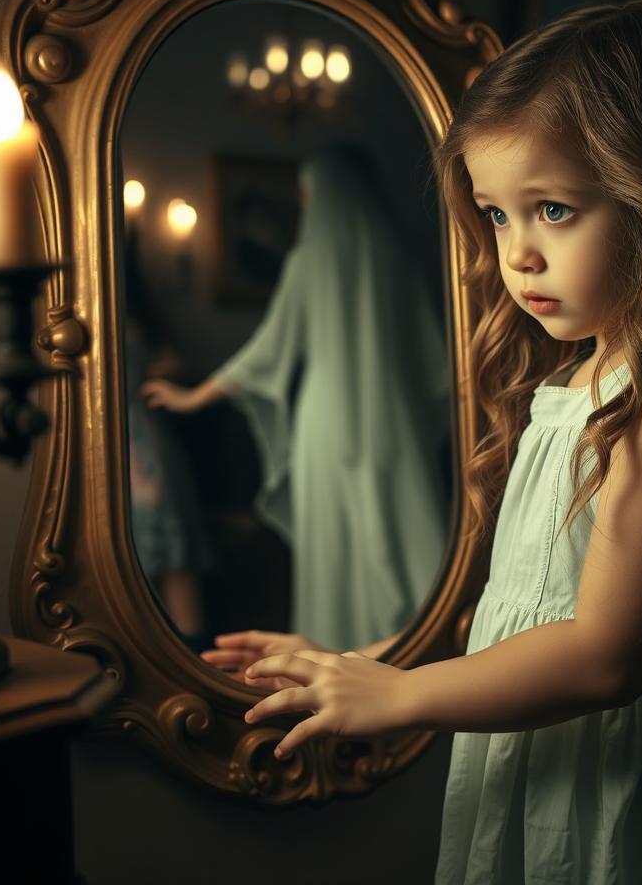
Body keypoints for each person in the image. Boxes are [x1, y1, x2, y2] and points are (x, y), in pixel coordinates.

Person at [199, 0, 642, 883]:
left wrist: (403, 696)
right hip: (560, 768)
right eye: (496, 214)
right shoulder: (578, 383)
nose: (517, 252)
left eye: (554, 210)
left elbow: (603, 655)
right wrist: (363, 661)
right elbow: (524, 614)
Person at [142, 143, 452, 654]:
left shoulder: (308, 260)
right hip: (394, 419)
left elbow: (266, 351)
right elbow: (432, 355)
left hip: (328, 422)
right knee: (400, 528)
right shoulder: (397, 255)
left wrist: (193, 396)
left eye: (307, 196)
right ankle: (412, 645)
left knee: (334, 548)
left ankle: (338, 655)